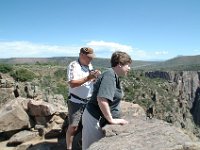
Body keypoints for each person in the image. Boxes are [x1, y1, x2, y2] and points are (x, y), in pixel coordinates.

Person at [82, 51, 132, 150]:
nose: (129, 68)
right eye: (128, 65)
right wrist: (111, 120)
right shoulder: (110, 75)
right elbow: (102, 99)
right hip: (94, 119)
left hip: (97, 118)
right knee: (91, 147)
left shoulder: (112, 75)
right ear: (119, 65)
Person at [66, 47, 101, 150]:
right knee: (73, 127)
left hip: (88, 101)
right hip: (76, 101)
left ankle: (83, 143)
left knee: (88, 124)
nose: (91, 60)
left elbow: (90, 81)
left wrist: (94, 77)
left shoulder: (89, 65)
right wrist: (88, 78)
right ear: (81, 54)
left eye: (92, 57)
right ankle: (69, 147)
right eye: (89, 57)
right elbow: (72, 84)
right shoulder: (73, 65)